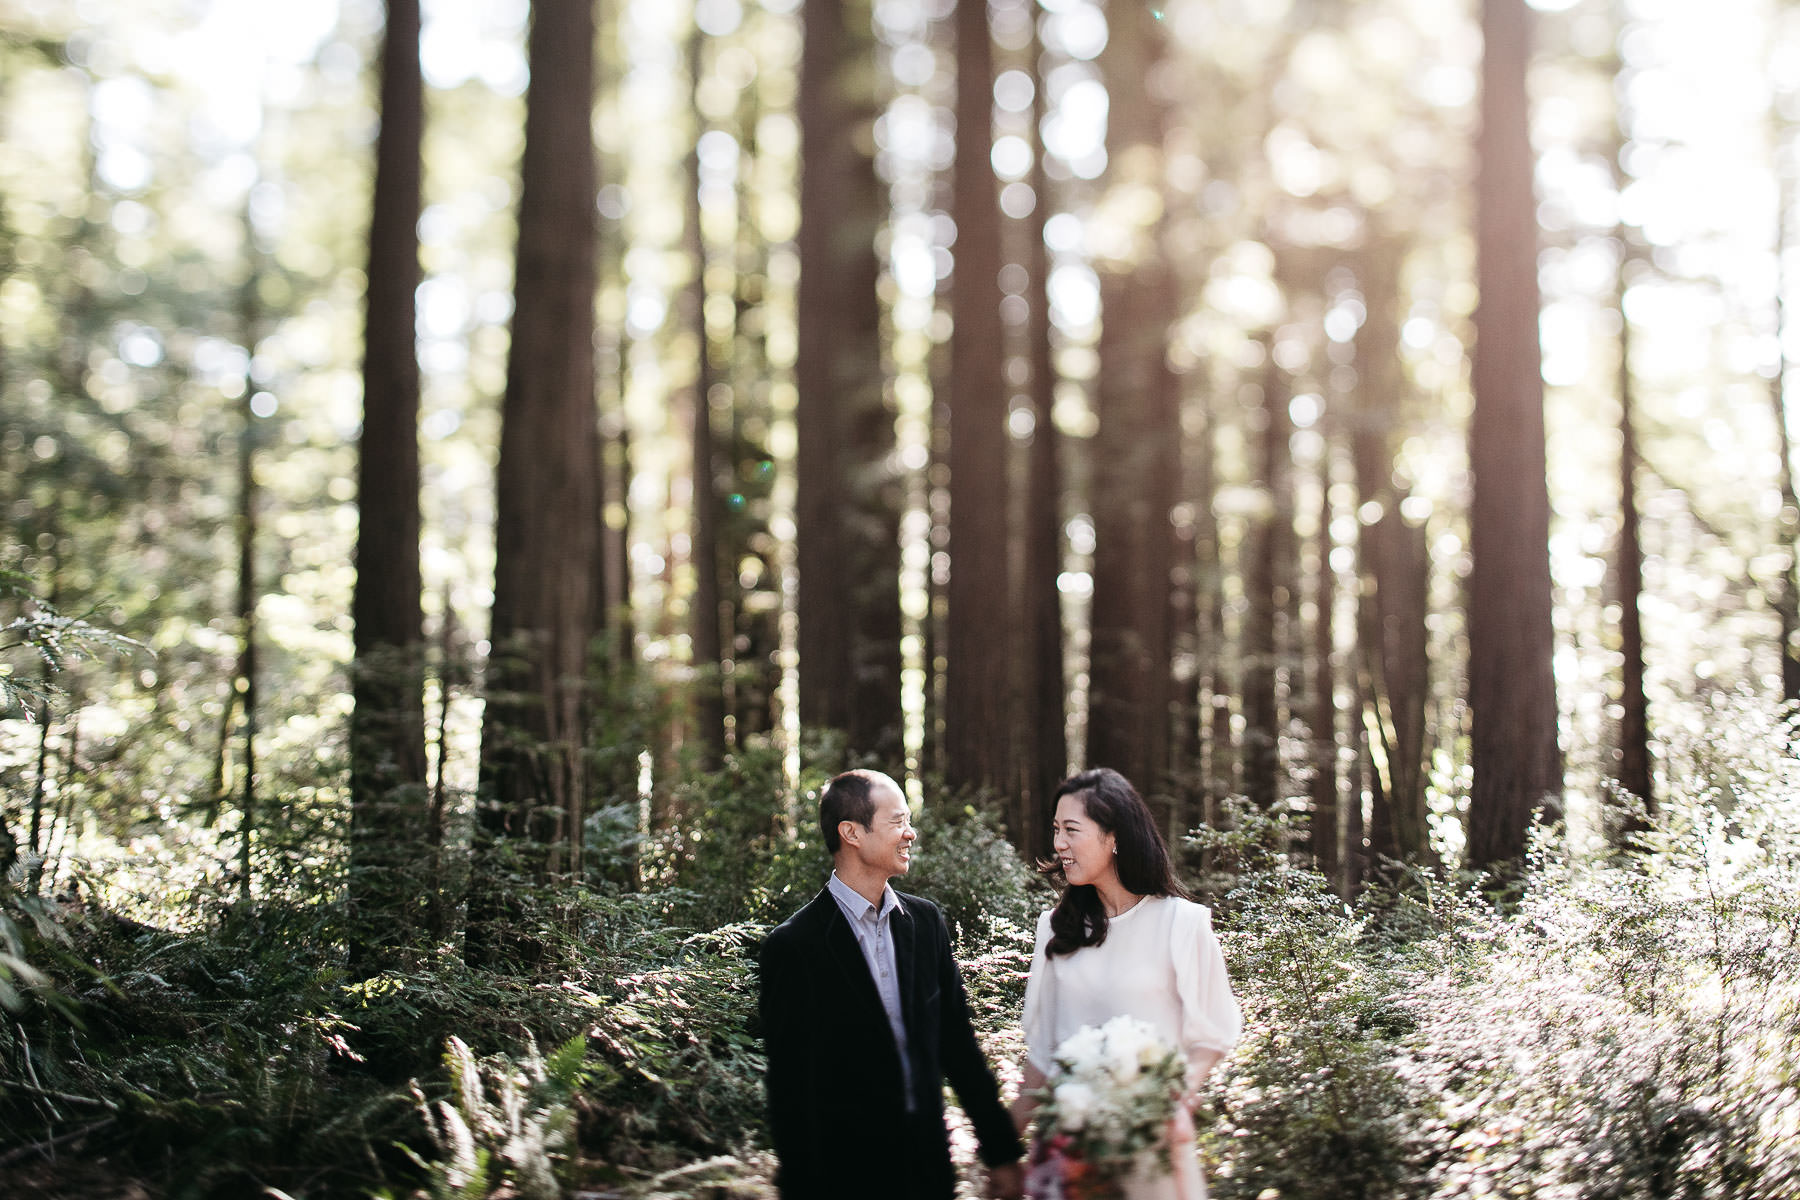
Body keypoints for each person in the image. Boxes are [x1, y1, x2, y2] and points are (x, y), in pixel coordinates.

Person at [759, 769, 1026, 1200]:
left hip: (929, 1174)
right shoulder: (794, 946)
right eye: (898, 821)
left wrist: (1002, 1153)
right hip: (840, 1179)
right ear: (852, 833)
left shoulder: (926, 923)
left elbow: (957, 1045)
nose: (911, 834)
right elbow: (790, 1091)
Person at [1014, 768, 1242, 1200]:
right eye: (1056, 829)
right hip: (1068, 1156)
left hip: (1151, 1150)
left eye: (1071, 830)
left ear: (1113, 836)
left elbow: (1213, 1033)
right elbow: (1042, 1052)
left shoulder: (1182, 923)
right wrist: (1005, 1146)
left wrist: (1175, 1098)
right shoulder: (1054, 929)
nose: (1059, 843)